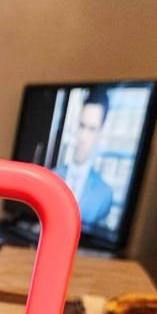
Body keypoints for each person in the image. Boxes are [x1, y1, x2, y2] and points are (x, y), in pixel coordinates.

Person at [54, 89, 114, 227]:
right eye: (82, 126)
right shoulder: (52, 175)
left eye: (92, 129)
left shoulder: (104, 194)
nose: (83, 137)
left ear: (100, 133)